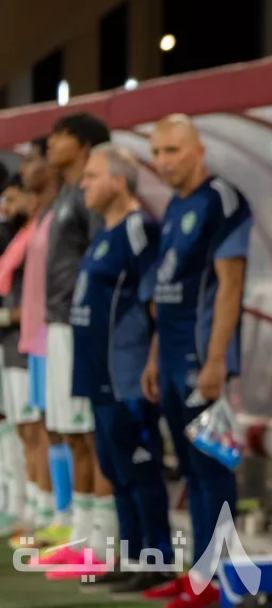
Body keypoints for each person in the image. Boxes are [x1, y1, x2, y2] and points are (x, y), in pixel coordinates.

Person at [141, 114, 253, 607]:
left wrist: (216, 360)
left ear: (198, 151)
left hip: (200, 360)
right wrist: (153, 357)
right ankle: (198, 575)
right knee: (189, 470)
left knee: (212, 469)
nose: (162, 161)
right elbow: (165, 296)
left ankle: (218, 580)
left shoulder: (221, 200)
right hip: (170, 359)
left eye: (172, 150)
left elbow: (230, 286)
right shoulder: (175, 206)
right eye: (156, 152)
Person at [69, 145, 175, 590]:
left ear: (118, 182)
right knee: (115, 469)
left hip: (127, 375)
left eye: (92, 176)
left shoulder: (138, 230)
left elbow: (156, 304)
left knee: (139, 469)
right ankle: (132, 556)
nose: (83, 184)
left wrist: (152, 361)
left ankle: (158, 560)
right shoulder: (104, 233)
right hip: (99, 375)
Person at [44, 114, 113, 556]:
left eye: (61, 135)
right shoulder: (66, 195)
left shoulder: (89, 197)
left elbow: (98, 258)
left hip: (78, 323)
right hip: (57, 323)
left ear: (84, 144)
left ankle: (102, 539)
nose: (51, 142)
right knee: (72, 433)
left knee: (90, 433)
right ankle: (82, 532)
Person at [13, 137, 61, 546]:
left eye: (32, 159)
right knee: (44, 428)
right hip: (35, 338)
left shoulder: (63, 212)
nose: (24, 168)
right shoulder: (42, 215)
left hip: (54, 335)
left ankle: (64, 517)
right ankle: (48, 514)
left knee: (60, 431)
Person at [0, 173, 39, 538]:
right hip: (13, 343)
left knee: (36, 429)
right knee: (16, 427)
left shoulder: (34, 234)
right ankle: (17, 503)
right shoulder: (17, 238)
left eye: (12, 199)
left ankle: (39, 508)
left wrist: (9, 316)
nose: (6, 208)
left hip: (30, 344)